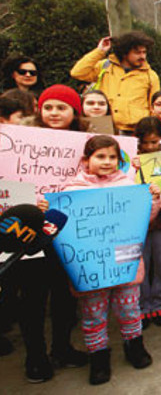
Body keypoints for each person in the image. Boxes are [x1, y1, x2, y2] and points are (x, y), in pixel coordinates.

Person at [60, 135, 161, 384]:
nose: (107, 162)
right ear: (86, 160)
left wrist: (153, 199)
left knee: (129, 309)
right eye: (100, 156)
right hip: (91, 266)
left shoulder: (128, 184)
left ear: (120, 159)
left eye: (112, 157)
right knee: (93, 316)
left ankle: (134, 346)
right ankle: (99, 358)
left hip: (125, 262)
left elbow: (143, 220)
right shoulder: (72, 189)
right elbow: (62, 227)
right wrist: (47, 210)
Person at [6, 85, 89, 383]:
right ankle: (36, 357)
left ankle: (63, 348)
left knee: (65, 297)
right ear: (39, 109)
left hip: (69, 232)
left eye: (62, 108)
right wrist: (31, 202)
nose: (54, 113)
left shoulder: (85, 144)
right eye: (49, 107)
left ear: (74, 112)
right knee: (33, 299)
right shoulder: (18, 141)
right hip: (29, 233)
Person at [133, 117, 161, 330]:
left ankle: (159, 303)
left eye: (154, 141)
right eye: (145, 143)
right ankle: (141, 306)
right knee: (142, 264)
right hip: (137, 221)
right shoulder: (129, 158)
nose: (150, 147)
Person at [70, 32, 159, 133]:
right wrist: (100, 51)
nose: (142, 56)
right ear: (124, 53)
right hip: (103, 126)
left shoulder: (151, 76)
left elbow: (154, 107)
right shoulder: (105, 66)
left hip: (134, 131)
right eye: (137, 53)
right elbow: (77, 72)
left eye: (144, 52)